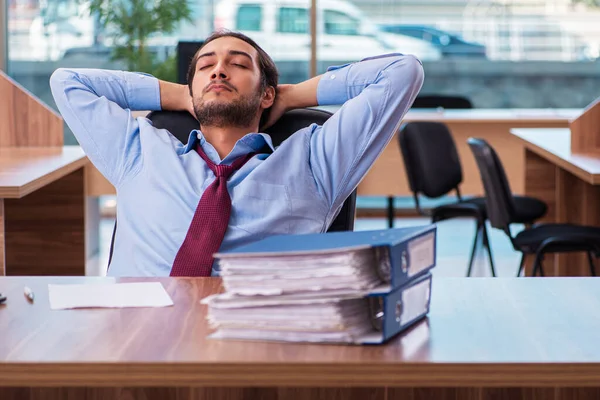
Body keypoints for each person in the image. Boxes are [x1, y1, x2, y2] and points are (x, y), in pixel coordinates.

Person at [50, 30, 424, 277]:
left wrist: (293, 95)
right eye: (206, 66)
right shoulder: (138, 149)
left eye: (239, 65)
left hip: (257, 336)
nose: (219, 71)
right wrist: (180, 95)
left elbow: (401, 71)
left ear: (266, 94)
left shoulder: (316, 158)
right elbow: (68, 82)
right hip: (137, 337)